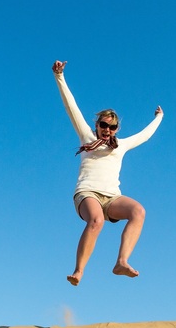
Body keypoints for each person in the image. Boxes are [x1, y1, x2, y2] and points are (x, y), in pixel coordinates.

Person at [52, 59, 163, 286]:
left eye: (112, 127)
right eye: (104, 125)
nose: (107, 130)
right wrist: (59, 77)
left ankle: (121, 261)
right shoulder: (87, 138)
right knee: (96, 220)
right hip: (87, 193)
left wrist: (159, 118)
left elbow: (144, 135)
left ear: (117, 129)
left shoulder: (120, 145)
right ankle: (79, 270)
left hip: (112, 196)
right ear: (97, 125)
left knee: (138, 211)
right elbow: (71, 107)